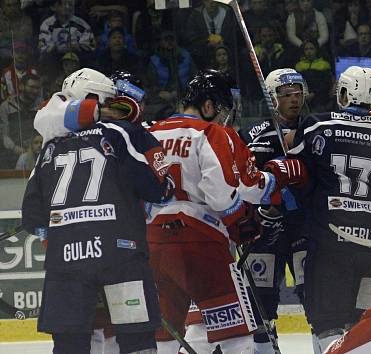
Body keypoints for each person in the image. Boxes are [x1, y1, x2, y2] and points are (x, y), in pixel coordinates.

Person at [145, 69, 306, 354]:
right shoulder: (211, 132)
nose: (224, 118)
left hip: (154, 241)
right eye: (221, 110)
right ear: (208, 106)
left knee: (171, 336)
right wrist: (273, 181)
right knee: (236, 336)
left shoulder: (151, 132)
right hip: (199, 241)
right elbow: (233, 191)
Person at [20, 77, 172, 353]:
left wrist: (60, 236)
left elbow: (32, 215)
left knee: (69, 343)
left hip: (66, 260)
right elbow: (158, 187)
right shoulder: (120, 131)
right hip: (121, 255)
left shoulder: (49, 147)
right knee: (136, 338)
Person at [286, 66, 371, 354]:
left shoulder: (317, 124)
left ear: (344, 92)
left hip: (332, 244)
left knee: (328, 326)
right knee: (364, 327)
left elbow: (295, 166)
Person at [238, 68, 309, 353]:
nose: (294, 99)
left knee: (314, 296)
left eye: (297, 93)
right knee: (261, 303)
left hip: (304, 225)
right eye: (286, 94)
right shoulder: (256, 134)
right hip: (266, 228)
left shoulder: (314, 128)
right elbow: (246, 177)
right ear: (272, 98)